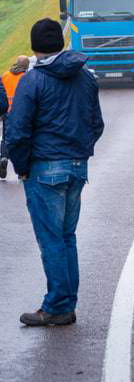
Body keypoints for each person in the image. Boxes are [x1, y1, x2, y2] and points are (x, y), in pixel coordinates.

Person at [6, 19, 104, 327]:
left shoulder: (32, 81)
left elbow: (17, 132)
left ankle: (58, 306)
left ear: (35, 46)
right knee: (66, 237)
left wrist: (21, 168)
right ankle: (66, 303)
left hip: (44, 169)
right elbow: (97, 124)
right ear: (59, 45)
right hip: (77, 167)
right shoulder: (86, 78)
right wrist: (79, 151)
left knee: (51, 240)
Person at [0, 56, 31, 179]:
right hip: (21, 113)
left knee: (6, 137)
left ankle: (3, 157)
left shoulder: (5, 75)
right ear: (26, 66)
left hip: (6, 112)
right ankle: (21, 170)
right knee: (22, 139)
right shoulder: (27, 77)